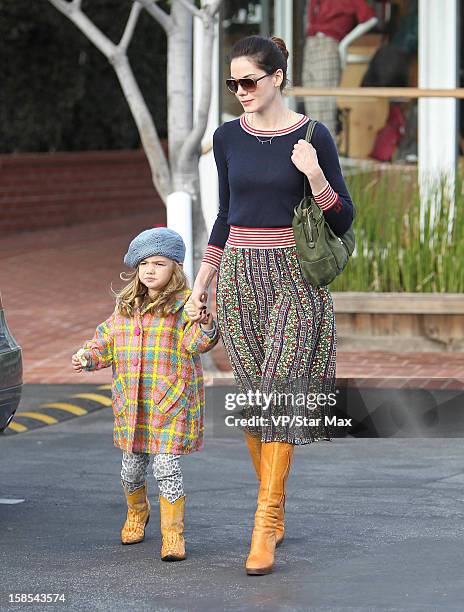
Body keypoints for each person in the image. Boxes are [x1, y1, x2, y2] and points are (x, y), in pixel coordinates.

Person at [185, 35, 355, 575]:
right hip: (239, 277)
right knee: (255, 397)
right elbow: (224, 214)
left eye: (249, 81)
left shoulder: (312, 135)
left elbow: (344, 219)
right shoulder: (227, 138)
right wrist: (204, 278)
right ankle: (275, 509)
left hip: (293, 279)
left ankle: (264, 521)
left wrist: (315, 175)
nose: (240, 92)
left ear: (278, 77)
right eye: (232, 83)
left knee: (279, 394)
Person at [71, 227, 219, 562]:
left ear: (175, 269)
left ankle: (173, 534)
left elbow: (198, 342)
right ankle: (137, 513)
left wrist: (206, 322)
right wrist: (88, 356)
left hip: (168, 403)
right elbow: (106, 341)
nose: (150, 270)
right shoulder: (125, 307)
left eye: (159, 263)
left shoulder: (184, 306)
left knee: (166, 467)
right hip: (132, 405)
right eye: (144, 264)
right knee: (131, 469)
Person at [302, 0, 378, 138]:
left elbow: (370, 18)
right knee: (311, 110)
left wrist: (344, 44)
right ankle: (314, 156)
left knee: (325, 111)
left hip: (328, 44)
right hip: (311, 44)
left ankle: (326, 157)